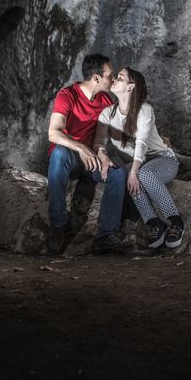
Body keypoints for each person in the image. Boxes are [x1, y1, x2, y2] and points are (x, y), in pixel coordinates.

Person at [46, 54, 130, 255]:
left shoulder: (105, 101)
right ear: (96, 78)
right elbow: (53, 132)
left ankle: (106, 235)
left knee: (117, 173)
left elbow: (107, 137)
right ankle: (58, 224)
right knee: (58, 153)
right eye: (109, 74)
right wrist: (80, 148)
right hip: (70, 158)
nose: (113, 79)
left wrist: (102, 155)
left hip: (91, 160)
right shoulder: (67, 95)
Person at [93, 67, 185, 249]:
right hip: (136, 164)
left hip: (162, 159)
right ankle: (153, 223)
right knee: (125, 175)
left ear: (130, 87)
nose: (115, 80)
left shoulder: (145, 110)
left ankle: (175, 221)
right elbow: (99, 143)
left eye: (120, 78)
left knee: (141, 174)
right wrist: (103, 157)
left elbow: (142, 143)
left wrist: (134, 171)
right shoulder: (107, 113)